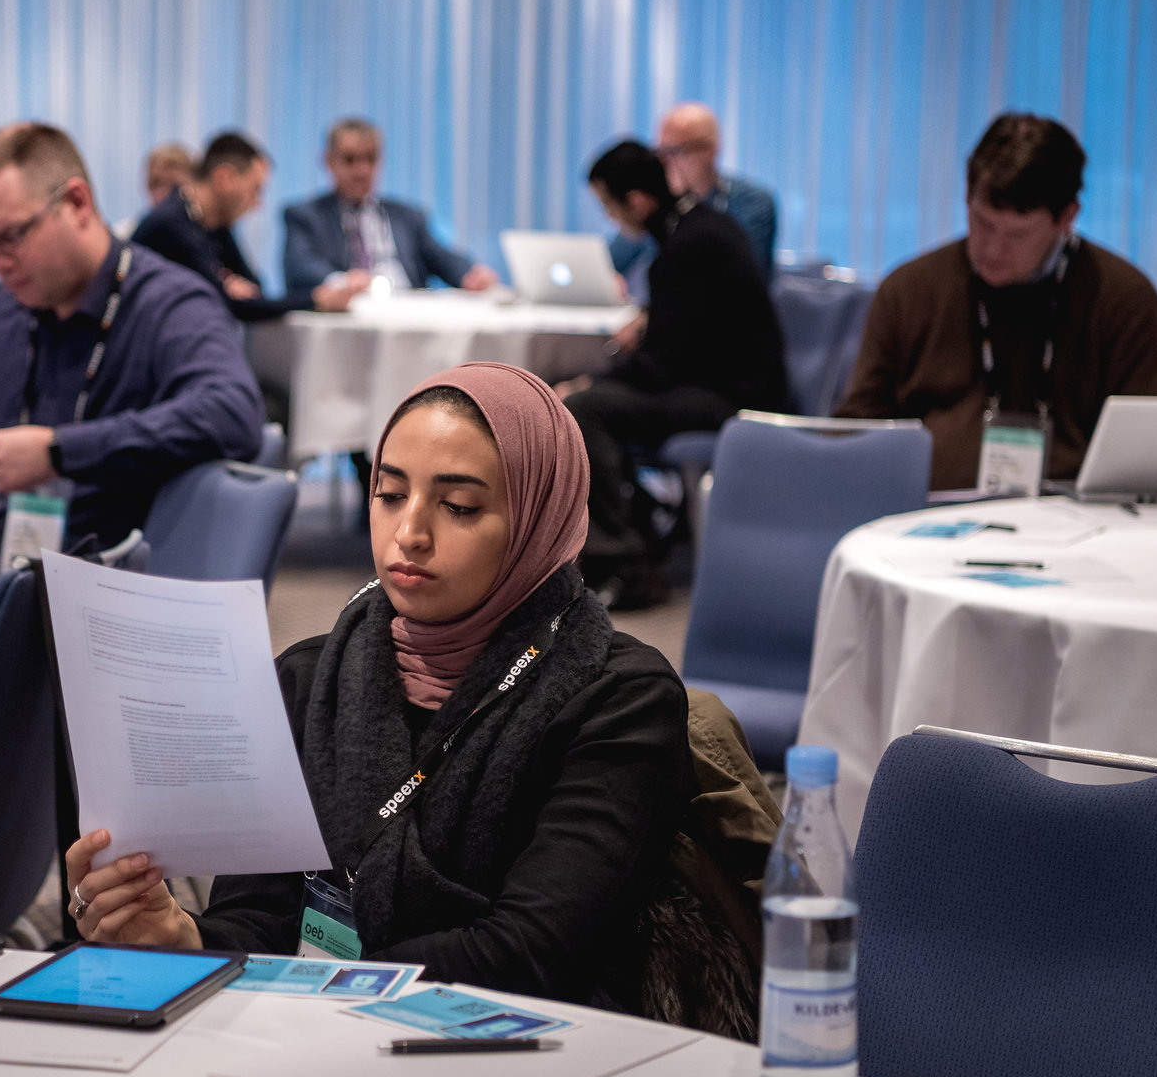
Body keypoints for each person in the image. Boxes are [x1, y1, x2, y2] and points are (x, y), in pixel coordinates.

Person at [63, 362, 731, 1011]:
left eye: (459, 506)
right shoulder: (310, 680)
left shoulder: (618, 701)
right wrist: (181, 939)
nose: (408, 534)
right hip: (309, 1033)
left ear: (538, 518)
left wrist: (305, 985)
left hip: (520, 1046)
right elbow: (261, 923)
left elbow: (531, 954)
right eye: (389, 495)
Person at [0, 121, 264, 557]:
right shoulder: (4, 309)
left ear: (77, 203)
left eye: (12, 237)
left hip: (105, 576)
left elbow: (233, 413)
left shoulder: (169, 305)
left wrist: (58, 452)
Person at [836, 113, 1157, 490]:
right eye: (983, 223)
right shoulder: (908, 290)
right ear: (967, 195)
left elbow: (1151, 453)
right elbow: (858, 433)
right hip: (929, 507)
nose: (993, 249)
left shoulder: (1122, 299)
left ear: (1067, 218)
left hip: (1071, 511)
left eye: (1017, 235)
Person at [562, 141, 787, 609]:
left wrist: (591, 382)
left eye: (608, 206)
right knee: (592, 398)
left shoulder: (684, 247)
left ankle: (624, 563)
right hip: (730, 381)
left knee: (585, 408)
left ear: (637, 201)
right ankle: (636, 533)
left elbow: (661, 366)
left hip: (733, 395)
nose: (610, 218)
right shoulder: (702, 228)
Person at [132, 131, 352, 320]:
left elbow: (255, 289)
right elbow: (231, 306)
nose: (257, 204)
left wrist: (228, 287)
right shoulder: (172, 224)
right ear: (225, 179)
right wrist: (316, 299)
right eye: (256, 190)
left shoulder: (213, 222)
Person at [282, 117, 498, 303]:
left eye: (370, 158)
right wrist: (342, 281)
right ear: (329, 161)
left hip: (405, 311)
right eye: (350, 160)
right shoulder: (305, 215)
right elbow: (301, 265)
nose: (361, 170)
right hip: (351, 310)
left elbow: (441, 257)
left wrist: (469, 274)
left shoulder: (407, 216)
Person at [610, 104, 780, 292]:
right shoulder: (660, 204)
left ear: (711, 150)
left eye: (675, 151)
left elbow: (743, 280)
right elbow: (613, 259)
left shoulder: (751, 203)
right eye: (660, 152)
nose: (665, 162)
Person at [113, 143, 196, 240]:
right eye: (155, 183)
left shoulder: (203, 236)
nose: (162, 193)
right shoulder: (123, 236)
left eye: (173, 186)